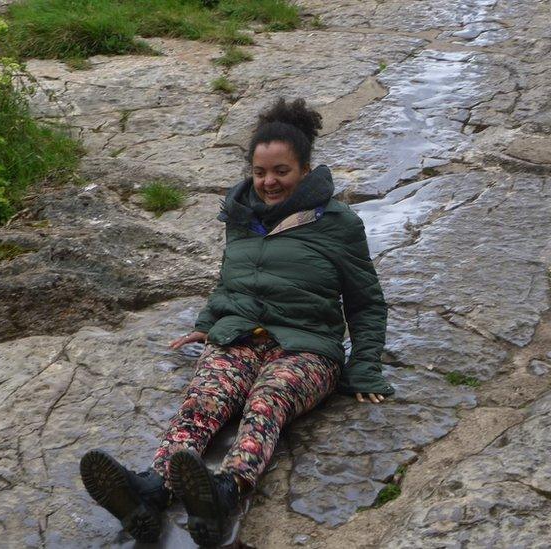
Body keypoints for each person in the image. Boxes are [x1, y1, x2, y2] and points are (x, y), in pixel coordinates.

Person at [79, 97, 393, 547]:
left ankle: (226, 491)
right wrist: (209, 321)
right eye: (260, 172)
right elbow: (231, 280)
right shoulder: (242, 215)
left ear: (305, 169)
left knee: (268, 399)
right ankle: (151, 491)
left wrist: (364, 366)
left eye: (281, 171)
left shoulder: (339, 223)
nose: (269, 182)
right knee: (205, 397)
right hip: (241, 334)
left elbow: (366, 302)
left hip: (307, 348)